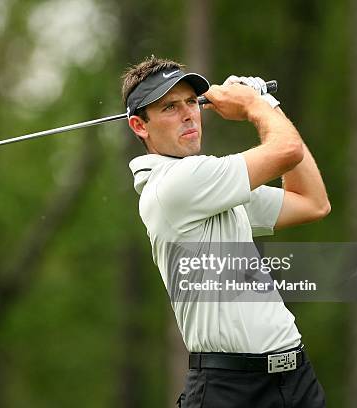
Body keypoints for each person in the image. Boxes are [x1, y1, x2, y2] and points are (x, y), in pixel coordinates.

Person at [122, 55, 330, 407]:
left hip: (295, 379)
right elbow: (287, 149)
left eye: (192, 102)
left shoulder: (213, 188)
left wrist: (268, 106)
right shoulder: (175, 184)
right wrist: (255, 106)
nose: (189, 114)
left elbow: (311, 202)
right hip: (231, 389)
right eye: (170, 108)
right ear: (140, 126)